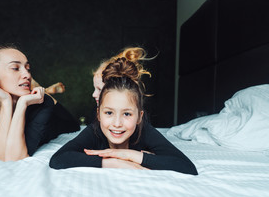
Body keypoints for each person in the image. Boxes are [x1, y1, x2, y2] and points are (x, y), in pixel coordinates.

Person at [50, 57, 198, 175]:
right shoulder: (95, 130)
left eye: (127, 114)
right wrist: (113, 162)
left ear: (140, 117)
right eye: (109, 113)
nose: (117, 123)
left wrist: (129, 155)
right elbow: (58, 159)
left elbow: (186, 166)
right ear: (99, 115)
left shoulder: (143, 130)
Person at [0, 44, 79, 161]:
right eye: (15, 68)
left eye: (28, 68)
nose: (27, 75)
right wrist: (6, 101)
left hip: (63, 120)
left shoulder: (43, 102)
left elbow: (15, 157)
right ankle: (38, 87)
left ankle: (43, 90)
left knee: (65, 117)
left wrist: (22, 104)